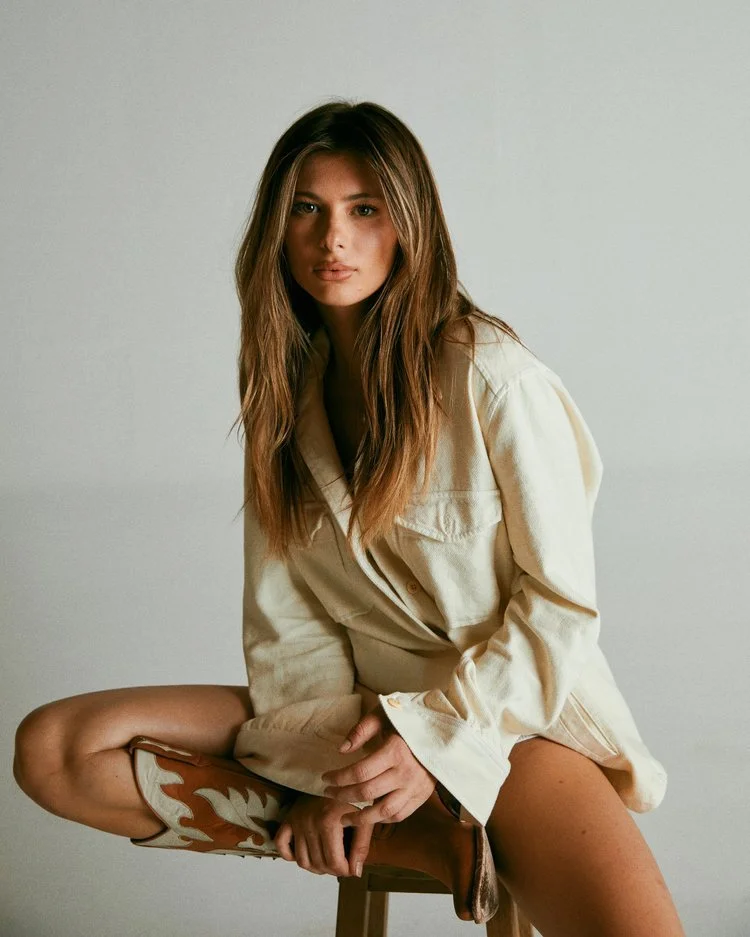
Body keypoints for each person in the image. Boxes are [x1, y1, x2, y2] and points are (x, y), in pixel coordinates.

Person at [13, 99, 686, 936]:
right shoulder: (284, 404)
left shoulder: (494, 380)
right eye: (308, 209)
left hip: (508, 726)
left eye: (364, 209)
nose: (334, 238)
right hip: (346, 722)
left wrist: (429, 741)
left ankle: (433, 807)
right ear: (277, 230)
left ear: (408, 225)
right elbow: (289, 628)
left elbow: (560, 609)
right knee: (58, 748)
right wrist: (320, 777)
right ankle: (428, 836)